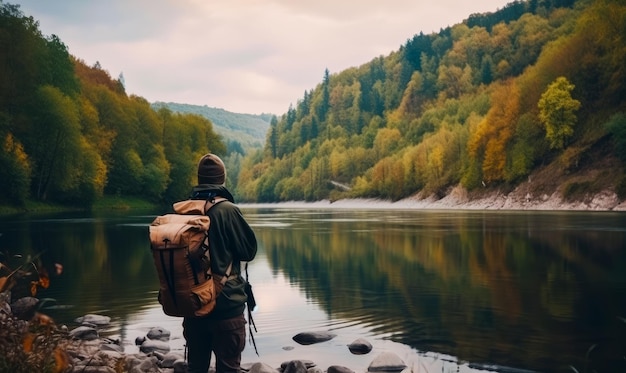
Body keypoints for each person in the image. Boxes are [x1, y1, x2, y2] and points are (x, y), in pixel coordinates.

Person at [182, 153, 257, 373]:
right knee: (228, 368)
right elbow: (249, 251)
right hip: (226, 306)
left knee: (196, 368)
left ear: (199, 178)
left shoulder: (183, 209)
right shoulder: (228, 210)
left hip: (193, 305)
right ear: (222, 179)